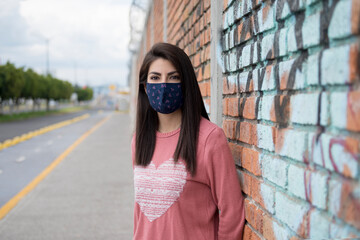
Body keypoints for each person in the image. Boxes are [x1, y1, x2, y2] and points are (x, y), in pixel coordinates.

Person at [132, 42, 245, 240]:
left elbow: (232, 212)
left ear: (186, 84)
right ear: (145, 86)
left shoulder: (210, 139)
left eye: (173, 77)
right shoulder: (139, 141)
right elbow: (140, 214)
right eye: (155, 78)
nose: (164, 86)